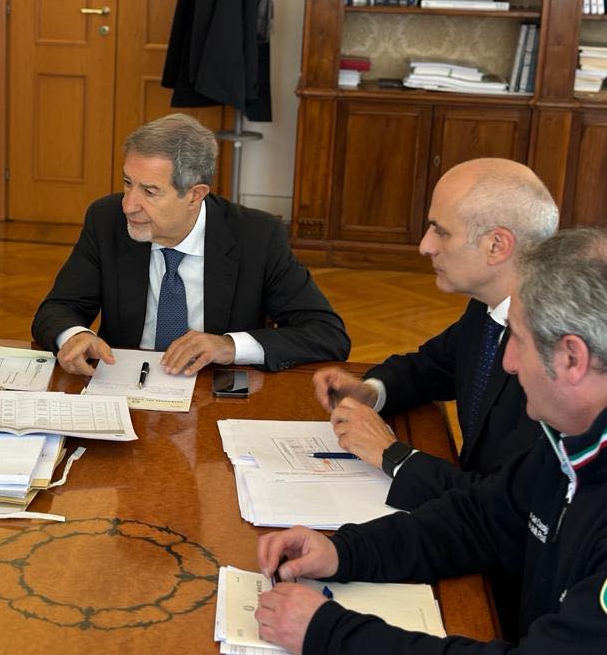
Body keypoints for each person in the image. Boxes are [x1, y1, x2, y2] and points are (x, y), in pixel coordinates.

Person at [255, 227, 607, 654]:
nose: (509, 362)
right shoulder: (570, 438)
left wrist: (328, 633)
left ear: (572, 357)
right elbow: (481, 521)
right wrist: (343, 551)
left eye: (517, 339)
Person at [312, 159, 558, 511]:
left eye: (441, 231)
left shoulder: (555, 356)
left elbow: (508, 504)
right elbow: (434, 366)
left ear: (496, 245)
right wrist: (371, 392)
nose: (425, 246)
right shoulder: (488, 305)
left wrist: (393, 455)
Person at [31, 113, 349, 377]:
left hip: (213, 392)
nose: (129, 205)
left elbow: (326, 334)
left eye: (150, 192)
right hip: (124, 387)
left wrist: (229, 346)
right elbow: (58, 309)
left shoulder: (257, 236)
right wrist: (76, 335)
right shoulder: (107, 220)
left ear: (195, 195)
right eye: (128, 183)